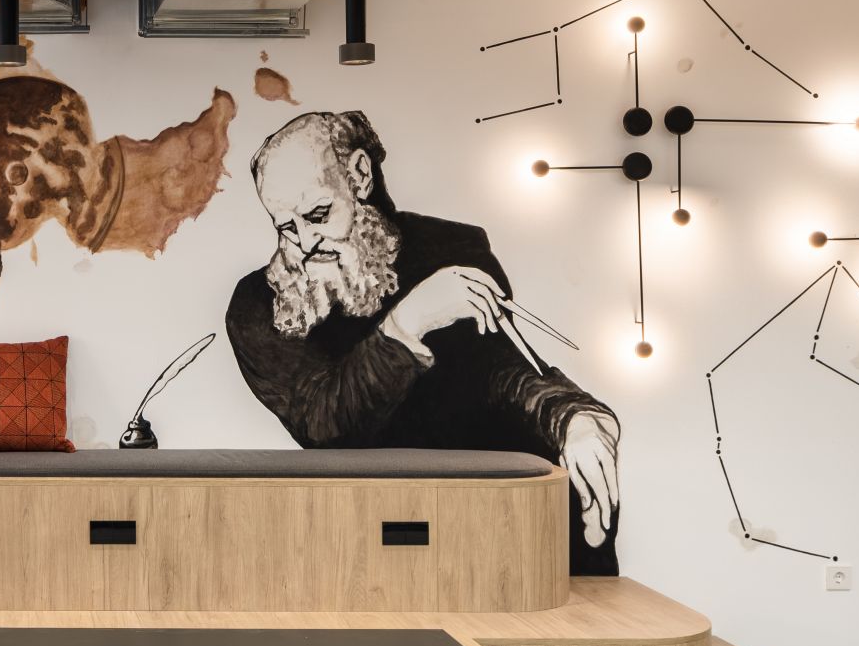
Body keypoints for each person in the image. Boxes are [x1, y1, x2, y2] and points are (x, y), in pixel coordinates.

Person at [226, 110, 624, 574]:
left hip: (487, 514)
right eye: (285, 227)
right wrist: (409, 320)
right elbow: (325, 425)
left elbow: (499, 373)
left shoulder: (450, 246)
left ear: (359, 175)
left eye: (318, 214)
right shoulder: (258, 305)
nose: (305, 242)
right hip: (371, 532)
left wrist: (571, 416)